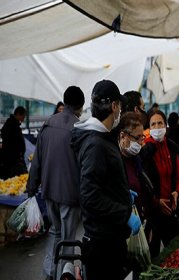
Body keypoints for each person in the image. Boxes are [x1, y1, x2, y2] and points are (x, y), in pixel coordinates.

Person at [72, 80, 140, 280]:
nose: (120, 111)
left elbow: (101, 182)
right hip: (102, 243)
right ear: (114, 106)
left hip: (110, 237)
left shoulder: (102, 138)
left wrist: (121, 192)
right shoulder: (95, 144)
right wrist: (124, 214)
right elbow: (90, 197)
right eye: (120, 105)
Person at [26, 86, 85, 280]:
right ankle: (62, 275)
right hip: (70, 193)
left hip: (49, 190)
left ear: (65, 102)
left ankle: (49, 273)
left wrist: (32, 187)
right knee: (68, 239)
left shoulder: (48, 123)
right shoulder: (79, 128)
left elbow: (37, 160)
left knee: (54, 232)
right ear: (81, 106)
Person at [140, 110, 179, 258]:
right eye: (153, 124)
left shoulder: (172, 147)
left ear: (166, 125)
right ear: (149, 129)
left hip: (171, 210)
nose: (157, 127)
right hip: (153, 214)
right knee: (153, 257)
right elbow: (142, 185)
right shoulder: (145, 151)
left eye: (160, 123)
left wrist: (177, 192)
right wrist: (157, 202)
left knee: (176, 254)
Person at [116, 112, 153, 278]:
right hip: (121, 230)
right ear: (123, 136)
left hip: (139, 222)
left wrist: (147, 220)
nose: (140, 142)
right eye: (137, 138)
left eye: (142, 137)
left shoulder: (136, 159)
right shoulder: (114, 161)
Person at [1, 106, 27, 179]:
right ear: (18, 115)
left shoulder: (12, 124)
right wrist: (19, 154)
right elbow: (11, 144)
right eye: (23, 116)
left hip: (14, 160)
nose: (24, 119)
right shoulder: (11, 125)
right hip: (13, 162)